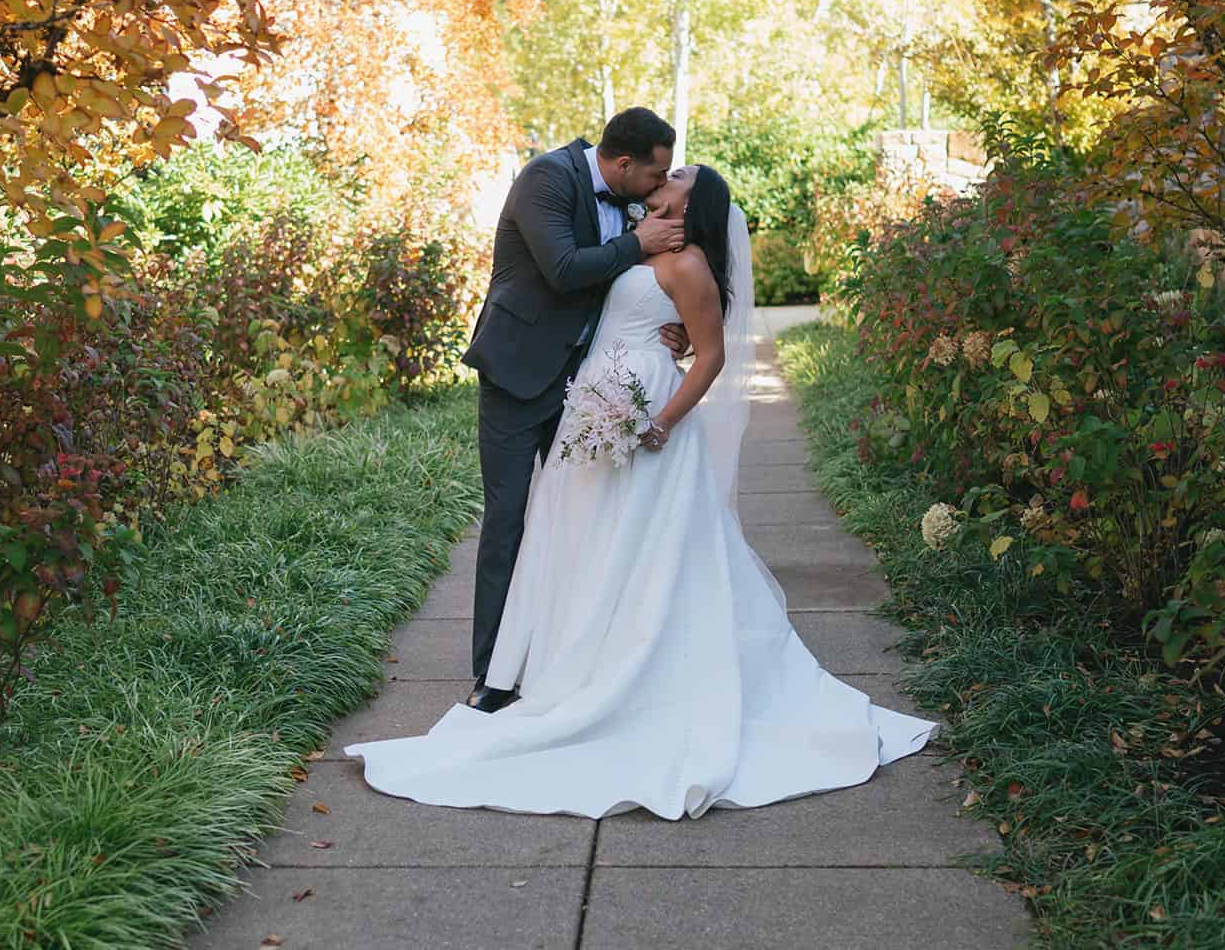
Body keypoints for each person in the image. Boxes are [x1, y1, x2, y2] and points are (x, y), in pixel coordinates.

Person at [347, 164, 938, 819]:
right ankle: (558, 666)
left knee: (643, 549)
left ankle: (630, 678)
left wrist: (660, 420)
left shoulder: (687, 264)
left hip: (640, 408)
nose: (670, 170)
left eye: (679, 173)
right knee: (579, 538)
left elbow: (709, 354)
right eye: (666, 164)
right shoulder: (642, 237)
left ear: (693, 205)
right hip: (596, 398)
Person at [457, 107, 688, 714]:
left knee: (583, 517)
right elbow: (562, 270)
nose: (659, 186)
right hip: (517, 372)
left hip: (589, 383)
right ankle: (494, 673)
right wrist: (637, 241)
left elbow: (644, 283)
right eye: (654, 174)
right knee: (509, 519)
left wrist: (676, 329)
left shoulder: (636, 198)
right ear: (621, 164)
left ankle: (569, 657)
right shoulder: (547, 178)